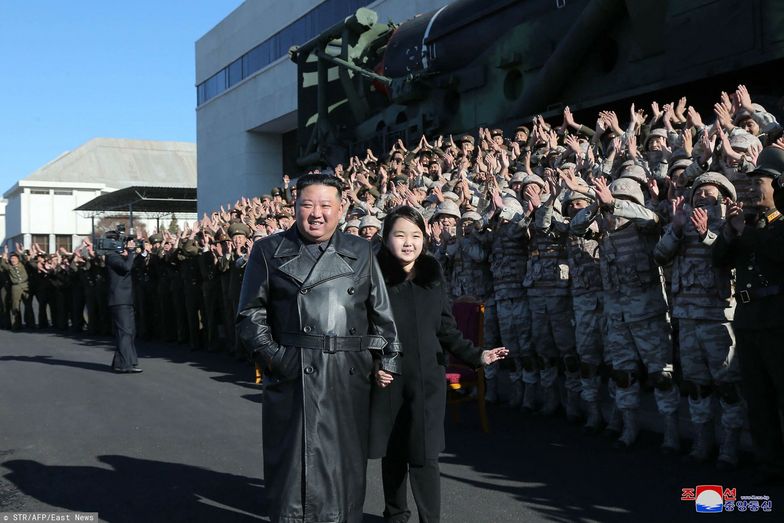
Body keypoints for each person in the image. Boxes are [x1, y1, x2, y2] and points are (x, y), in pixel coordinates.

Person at [236, 173, 402, 523]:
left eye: (326, 205)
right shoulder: (267, 250)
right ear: (294, 207)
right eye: (308, 204)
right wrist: (277, 360)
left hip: (348, 373)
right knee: (294, 467)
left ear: (341, 209)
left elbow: (381, 313)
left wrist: (388, 358)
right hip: (293, 374)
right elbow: (249, 315)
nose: (317, 213)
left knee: (343, 468)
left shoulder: (361, 250)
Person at [370, 205, 507, 523]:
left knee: (425, 453)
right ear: (386, 238)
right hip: (389, 378)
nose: (408, 242)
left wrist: (477, 355)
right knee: (393, 452)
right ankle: (395, 515)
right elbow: (362, 328)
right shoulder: (372, 277)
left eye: (415, 235)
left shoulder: (433, 275)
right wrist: (375, 364)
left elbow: (446, 329)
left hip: (428, 378)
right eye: (400, 235)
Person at [106, 236, 142, 374]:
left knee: (129, 332)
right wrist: (131, 252)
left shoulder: (118, 256)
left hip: (125, 299)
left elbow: (132, 265)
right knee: (125, 332)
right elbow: (127, 267)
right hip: (119, 300)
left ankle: (123, 362)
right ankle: (124, 364)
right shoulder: (112, 257)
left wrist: (136, 253)